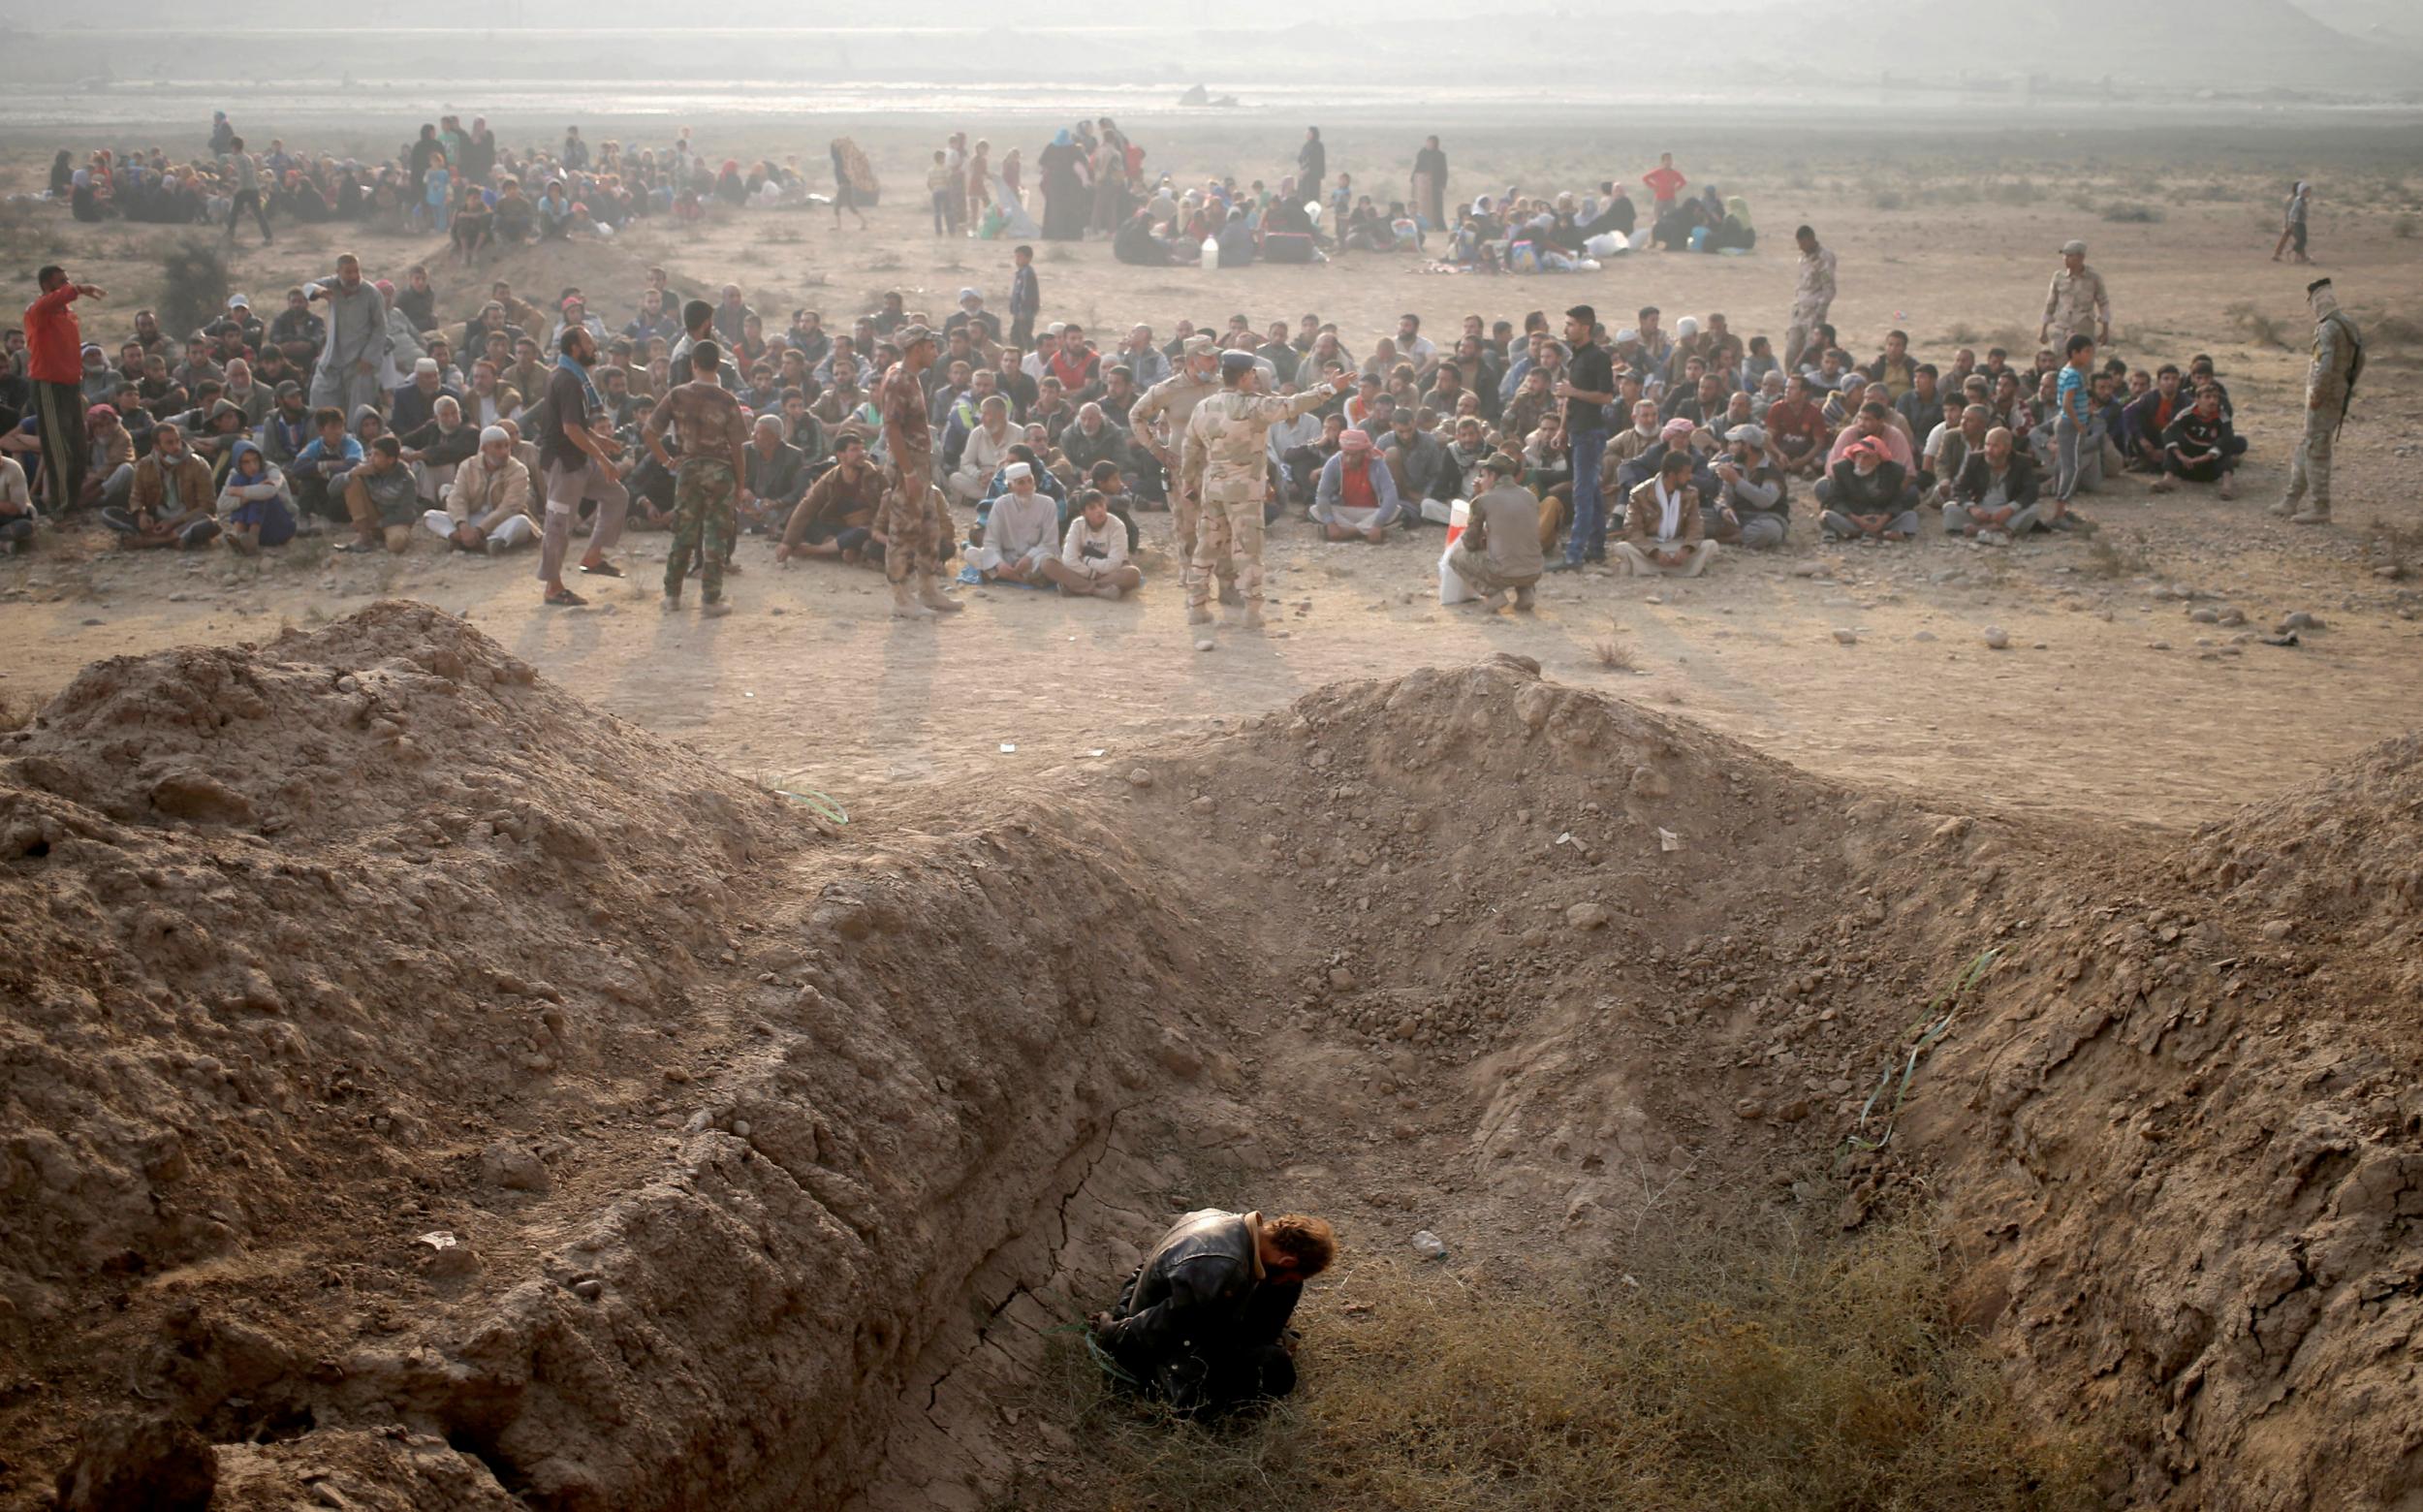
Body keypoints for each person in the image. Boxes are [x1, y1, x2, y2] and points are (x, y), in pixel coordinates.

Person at [1089, 1209, 1336, 1417]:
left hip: (1189, 1314)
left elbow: (1145, 1268)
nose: (1286, 1281)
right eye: (1291, 1273)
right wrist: (1112, 1331)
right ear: (1288, 1261)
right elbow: (1164, 1323)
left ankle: (1261, 1341)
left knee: (1285, 1288)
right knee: (1275, 1366)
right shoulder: (1222, 1269)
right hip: (1164, 1352)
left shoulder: (1225, 1222)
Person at [1180, 350, 1336, 630]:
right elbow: (1293, 405)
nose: (1255, 377)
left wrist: (1187, 481)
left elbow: (1190, 448)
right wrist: (1329, 389)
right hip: (1244, 491)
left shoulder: (1204, 406)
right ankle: (1252, 612)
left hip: (1213, 487)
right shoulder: (1253, 407)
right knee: (1248, 550)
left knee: (1206, 546)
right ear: (1243, 376)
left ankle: (1196, 607)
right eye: (1252, 373)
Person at [644, 341, 751, 616]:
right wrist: (740, 485)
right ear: (718, 365)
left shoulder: (677, 395)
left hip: (688, 469)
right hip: (720, 471)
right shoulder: (727, 400)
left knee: (684, 533)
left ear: (693, 364)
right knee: (716, 534)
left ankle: (672, 596)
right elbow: (738, 447)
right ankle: (710, 600)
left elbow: (649, 432)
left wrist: (667, 460)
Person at [1129, 336, 1234, 602]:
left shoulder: (1222, 385)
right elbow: (1136, 415)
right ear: (1191, 361)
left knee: (1222, 526)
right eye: (1208, 358)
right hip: (1183, 469)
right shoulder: (1169, 390)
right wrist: (1156, 450)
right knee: (1187, 528)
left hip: (1218, 467)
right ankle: (1192, 584)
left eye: (1214, 357)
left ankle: (1227, 586)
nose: (1214, 363)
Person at [535, 324, 631, 607]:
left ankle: (593, 557)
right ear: (576, 349)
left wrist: (601, 441)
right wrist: (602, 458)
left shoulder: (569, 376)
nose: (594, 348)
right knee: (558, 525)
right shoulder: (568, 381)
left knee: (617, 496)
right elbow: (570, 430)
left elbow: (576, 425)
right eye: (589, 343)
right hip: (564, 465)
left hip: (577, 460)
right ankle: (553, 587)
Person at [876, 325, 963, 618]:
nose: (936, 353)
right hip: (909, 464)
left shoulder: (912, 378)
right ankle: (902, 596)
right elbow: (892, 429)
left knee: (929, 527)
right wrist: (909, 473)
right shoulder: (899, 380)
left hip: (921, 464)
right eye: (931, 347)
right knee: (903, 530)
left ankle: (928, 589)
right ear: (917, 349)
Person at [2273, 277, 2361, 526]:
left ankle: (2320, 507)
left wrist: (2317, 394)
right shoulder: (2348, 324)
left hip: (2322, 399)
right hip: (2337, 394)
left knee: (2317, 449)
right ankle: (2291, 499)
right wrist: (2345, 387)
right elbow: (2360, 359)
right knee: (2308, 444)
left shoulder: (2327, 328)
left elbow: (2324, 365)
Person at [25, 265, 106, 516]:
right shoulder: (38, 311)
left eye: (68, 280)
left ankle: (72, 504)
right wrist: (80, 289)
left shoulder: (68, 314)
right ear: (47, 287)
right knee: (59, 449)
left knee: (79, 448)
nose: (67, 285)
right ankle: (60, 508)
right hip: (49, 385)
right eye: (61, 281)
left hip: (72, 386)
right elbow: (54, 300)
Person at [1550, 304, 1616, 571]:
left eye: (1571, 324)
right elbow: (1568, 397)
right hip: (1577, 430)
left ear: (1585, 327)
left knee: (1583, 494)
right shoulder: (1575, 358)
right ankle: (1596, 548)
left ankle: (1575, 554)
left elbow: (1606, 396)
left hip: (1590, 432)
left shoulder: (1598, 358)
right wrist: (1562, 428)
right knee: (1592, 493)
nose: (1566, 329)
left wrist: (1574, 392)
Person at [1444, 452, 1543, 611]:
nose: (1481, 480)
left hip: (1503, 572)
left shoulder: (1483, 500)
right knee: (1519, 549)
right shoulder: (1530, 496)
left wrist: (1482, 540)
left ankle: (1493, 595)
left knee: (1456, 557)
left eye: (1483, 476)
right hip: (1535, 570)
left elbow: (1470, 543)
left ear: (1493, 475)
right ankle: (1526, 593)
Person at [102, 421, 218, 551]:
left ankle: (151, 541)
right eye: (169, 443)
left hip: (185, 519)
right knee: (108, 513)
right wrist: (141, 514)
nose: (176, 447)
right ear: (157, 447)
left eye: (177, 441)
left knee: (209, 522)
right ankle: (175, 539)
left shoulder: (198, 465)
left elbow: (208, 506)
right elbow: (136, 498)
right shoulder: (144, 465)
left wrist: (174, 522)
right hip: (157, 520)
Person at [776, 430, 886, 565]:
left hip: (870, 528)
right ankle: (842, 548)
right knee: (808, 522)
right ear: (841, 455)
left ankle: (815, 550)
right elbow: (806, 508)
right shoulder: (830, 479)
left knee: (861, 534)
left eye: (862, 449)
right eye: (854, 450)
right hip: (842, 528)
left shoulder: (877, 476)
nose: (861, 453)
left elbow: (889, 509)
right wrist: (787, 542)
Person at [425, 425, 536, 554]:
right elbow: (458, 497)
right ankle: (479, 543)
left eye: (507, 446)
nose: (505, 452)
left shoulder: (518, 470)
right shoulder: (468, 466)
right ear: (484, 448)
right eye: (498, 447)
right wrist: (463, 525)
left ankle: (469, 542)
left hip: (501, 522)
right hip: (472, 518)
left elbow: (509, 507)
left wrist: (480, 530)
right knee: (430, 516)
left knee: (521, 522)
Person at [305, 255, 390, 418]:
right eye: (348, 272)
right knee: (321, 406)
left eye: (356, 271)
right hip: (332, 361)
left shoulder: (371, 293)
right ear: (338, 272)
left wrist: (369, 356)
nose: (353, 277)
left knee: (358, 415)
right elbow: (307, 287)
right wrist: (320, 292)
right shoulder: (332, 285)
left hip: (360, 363)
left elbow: (380, 328)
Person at [1615, 450, 1716, 578]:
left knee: (1711, 546)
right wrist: (1654, 553)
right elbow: (1632, 530)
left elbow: (1695, 525)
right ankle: (1683, 571)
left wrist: (1686, 549)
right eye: (1686, 474)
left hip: (1676, 544)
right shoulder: (1639, 494)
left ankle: (1650, 570)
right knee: (1623, 548)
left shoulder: (1691, 493)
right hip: (1650, 545)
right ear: (1672, 475)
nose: (1690, 477)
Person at [1040, 488, 1143, 599]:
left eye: (1101, 505)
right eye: (1092, 508)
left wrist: (1087, 560)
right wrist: (1092, 574)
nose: (1099, 510)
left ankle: (1076, 588)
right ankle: (1097, 590)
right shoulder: (1077, 525)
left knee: (1133, 574)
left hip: (1108, 572)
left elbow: (1113, 564)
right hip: (1083, 571)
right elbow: (1069, 560)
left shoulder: (1117, 526)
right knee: (1047, 563)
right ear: (1083, 513)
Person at [1945, 427, 2043, 544]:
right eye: (1987, 445)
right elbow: (1958, 489)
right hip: (1981, 510)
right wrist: (1972, 508)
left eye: (1995, 446)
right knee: (1949, 508)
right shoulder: (1975, 459)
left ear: (2007, 449)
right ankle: (2000, 529)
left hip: (2007, 511)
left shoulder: (2022, 461)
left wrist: (2010, 509)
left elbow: (2031, 491)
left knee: (2033, 509)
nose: (1988, 450)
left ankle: (1980, 529)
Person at [1311, 427, 1405, 543]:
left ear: (1363, 452)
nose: (1349, 459)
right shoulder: (1334, 462)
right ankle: (1364, 531)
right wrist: (1330, 523)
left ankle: (1348, 532)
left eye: (1354, 455)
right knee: (1315, 510)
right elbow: (1322, 495)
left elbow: (1390, 497)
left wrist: (1377, 524)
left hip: (1371, 513)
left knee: (1396, 511)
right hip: (1345, 511)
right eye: (1346, 454)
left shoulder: (1376, 463)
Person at [969, 460, 1056, 584]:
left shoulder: (1048, 504)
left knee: (1048, 562)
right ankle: (1022, 579)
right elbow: (991, 542)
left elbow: (1049, 542)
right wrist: (999, 564)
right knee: (971, 553)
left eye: (1030, 481)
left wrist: (1029, 557)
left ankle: (1003, 576)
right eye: (1021, 482)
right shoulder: (1000, 504)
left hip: (1036, 558)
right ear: (1010, 487)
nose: (1027, 486)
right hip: (1008, 558)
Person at [1817, 437, 1917, 543]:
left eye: (1867, 457)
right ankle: (1880, 535)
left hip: (1880, 516)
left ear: (1878, 460)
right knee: (1826, 516)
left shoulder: (1894, 471)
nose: (1860, 461)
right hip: (1853, 515)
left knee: (1910, 516)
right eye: (1858, 456)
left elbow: (1897, 500)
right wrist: (1857, 519)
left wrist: (1883, 519)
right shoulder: (1842, 469)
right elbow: (1834, 500)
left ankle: (1865, 533)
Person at [1709, 425, 1789, 549]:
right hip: (1737, 517)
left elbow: (1765, 500)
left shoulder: (1772, 471)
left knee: (1769, 531)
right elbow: (1724, 497)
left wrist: (1737, 480)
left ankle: (1730, 538)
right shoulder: (1735, 466)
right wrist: (1724, 509)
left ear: (1747, 446)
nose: (1731, 448)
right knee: (1702, 518)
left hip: (1766, 518)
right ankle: (1738, 536)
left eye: (1735, 443)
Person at [2159, 388, 2247, 501]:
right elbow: (2169, 431)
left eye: (2215, 397)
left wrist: (2204, 458)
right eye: (2207, 397)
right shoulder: (2186, 414)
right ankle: (2167, 480)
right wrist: (2181, 455)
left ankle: (2227, 487)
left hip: (2209, 467)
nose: (2212, 401)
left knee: (2226, 448)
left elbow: (2226, 439)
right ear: (2197, 400)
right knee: (2172, 445)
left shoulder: (2223, 418)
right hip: (2186, 464)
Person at [340, 434, 420, 553]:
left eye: (377, 455)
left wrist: (379, 524)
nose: (372, 458)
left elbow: (406, 513)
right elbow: (332, 488)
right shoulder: (366, 470)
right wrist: (352, 473)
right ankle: (365, 538)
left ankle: (378, 536)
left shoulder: (406, 479)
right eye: (372, 454)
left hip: (394, 521)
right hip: (373, 517)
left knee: (396, 544)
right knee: (352, 481)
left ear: (391, 459)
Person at [215, 440, 297, 554]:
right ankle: (241, 536)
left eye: (255, 460)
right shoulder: (234, 474)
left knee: (259, 480)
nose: (252, 466)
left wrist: (240, 491)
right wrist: (248, 495)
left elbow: (269, 491)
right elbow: (221, 504)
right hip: (251, 532)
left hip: (278, 526)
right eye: (246, 462)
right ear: (238, 463)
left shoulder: (271, 469)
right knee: (240, 480)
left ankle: (253, 536)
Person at [2040, 240, 2111, 350]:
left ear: (2081, 257)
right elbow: (2050, 303)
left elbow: (2103, 303)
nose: (2065, 259)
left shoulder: (2093, 278)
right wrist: (2043, 330)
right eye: (2065, 256)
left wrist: (2105, 331)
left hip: (2083, 328)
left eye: (2070, 256)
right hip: (2061, 328)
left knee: (2082, 360)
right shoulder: (2059, 277)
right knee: (2059, 360)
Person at [1784, 226, 1837, 373]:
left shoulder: (1824, 258)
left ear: (1811, 239)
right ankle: (1789, 381)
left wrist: (1820, 311)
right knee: (1791, 350)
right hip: (1799, 311)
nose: (1800, 247)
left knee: (1810, 352)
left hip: (1814, 313)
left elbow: (1829, 288)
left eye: (1803, 243)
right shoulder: (1803, 258)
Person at [2052, 334, 2096, 503]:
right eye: (2086, 351)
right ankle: (2061, 505)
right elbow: (2067, 403)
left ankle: (2060, 506)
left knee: (2063, 463)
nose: (2089, 355)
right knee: (2073, 467)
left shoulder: (2066, 370)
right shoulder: (2073, 375)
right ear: (2074, 353)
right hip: (2071, 424)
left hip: (2064, 422)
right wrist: (2079, 425)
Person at [1411, 136, 1448, 230]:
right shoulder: (1422, 153)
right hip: (1422, 184)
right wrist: (1413, 178)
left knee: (1437, 206)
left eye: (1431, 143)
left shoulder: (1440, 155)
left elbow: (1444, 171)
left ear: (1435, 144)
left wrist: (1443, 184)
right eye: (1428, 142)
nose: (1429, 144)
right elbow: (1417, 166)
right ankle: (1423, 225)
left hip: (1436, 184)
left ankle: (1440, 225)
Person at [2273, 181, 2312, 265]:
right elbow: (2290, 212)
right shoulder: (2295, 200)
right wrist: (2288, 223)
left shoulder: (2291, 198)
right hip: (2293, 222)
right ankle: (2301, 257)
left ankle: (2277, 255)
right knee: (2300, 239)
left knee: (2292, 239)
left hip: (2290, 222)